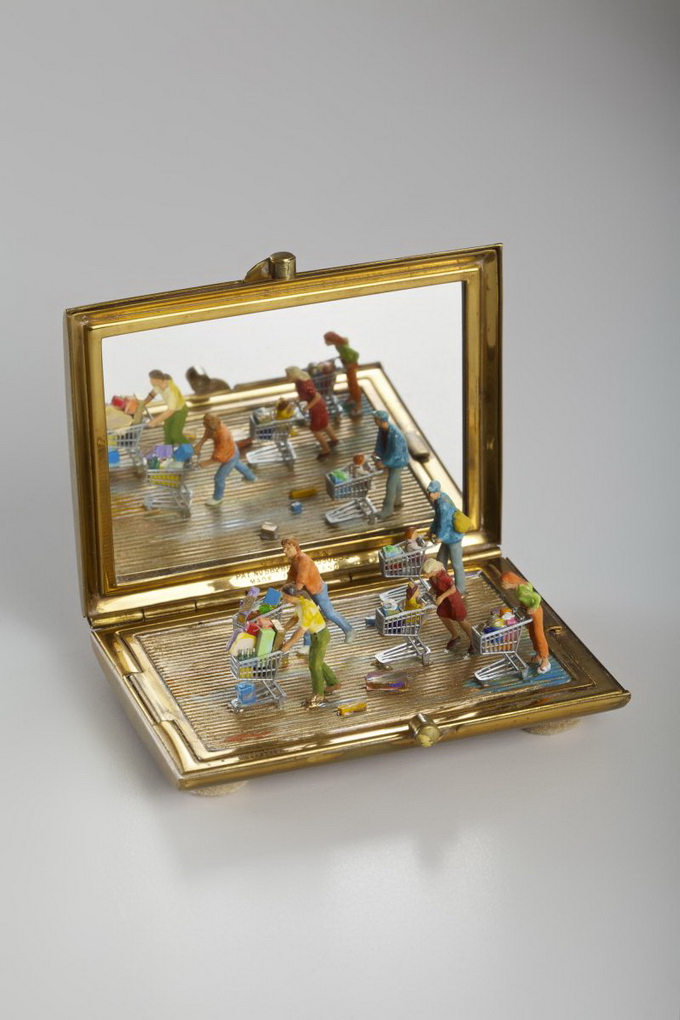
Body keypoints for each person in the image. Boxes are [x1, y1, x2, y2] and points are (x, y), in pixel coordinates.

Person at [281, 537, 354, 643]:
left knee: (329, 613)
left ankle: (349, 630)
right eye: (283, 548)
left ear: (295, 547)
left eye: (288, 548)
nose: (284, 551)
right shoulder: (295, 560)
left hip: (318, 590)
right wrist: (283, 589)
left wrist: (293, 593)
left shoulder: (303, 559)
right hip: (308, 592)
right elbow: (291, 576)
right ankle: (307, 644)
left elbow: (302, 579)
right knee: (306, 615)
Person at [280, 584, 341, 707]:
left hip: (320, 636)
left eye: (285, 597)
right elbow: (294, 618)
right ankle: (333, 683)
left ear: (293, 595)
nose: (284, 600)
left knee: (314, 665)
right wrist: (283, 630)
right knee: (317, 661)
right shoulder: (300, 603)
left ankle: (318, 694)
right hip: (315, 636)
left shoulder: (306, 607)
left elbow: (300, 631)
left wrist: (288, 645)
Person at [194, 413, 256, 508]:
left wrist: (208, 462)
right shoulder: (213, 427)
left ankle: (217, 498)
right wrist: (200, 444)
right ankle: (251, 477)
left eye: (206, 424)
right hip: (233, 450)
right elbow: (207, 434)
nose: (204, 425)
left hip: (229, 455)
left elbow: (221, 454)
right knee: (237, 463)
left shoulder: (223, 434)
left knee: (219, 477)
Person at [500, 571, 551, 673]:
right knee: (532, 633)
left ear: (511, 582)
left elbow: (537, 597)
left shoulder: (522, 591)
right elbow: (529, 587)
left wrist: (533, 607)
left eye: (503, 583)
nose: (502, 585)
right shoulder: (520, 586)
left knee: (538, 634)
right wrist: (524, 606)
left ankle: (545, 660)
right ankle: (539, 654)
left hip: (535, 612)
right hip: (528, 610)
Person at [421, 558, 474, 653]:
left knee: (460, 619)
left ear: (433, 571)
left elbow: (453, 589)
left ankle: (473, 640)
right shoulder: (432, 577)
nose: (424, 575)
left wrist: (441, 597)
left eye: (426, 573)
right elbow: (434, 588)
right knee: (442, 614)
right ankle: (455, 635)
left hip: (453, 600)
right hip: (444, 600)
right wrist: (427, 595)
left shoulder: (444, 577)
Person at [285, 366, 339, 459]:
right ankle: (334, 439)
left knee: (315, 430)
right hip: (317, 406)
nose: (287, 377)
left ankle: (326, 449)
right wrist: (295, 401)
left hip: (317, 408)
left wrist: (308, 406)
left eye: (288, 375)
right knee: (325, 423)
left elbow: (317, 396)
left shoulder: (305, 385)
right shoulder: (299, 382)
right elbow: (304, 395)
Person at [426, 480, 466, 595]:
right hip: (447, 537)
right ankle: (442, 584)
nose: (430, 495)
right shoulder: (438, 501)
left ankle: (460, 589)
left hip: (453, 537)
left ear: (438, 492)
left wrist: (440, 536)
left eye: (432, 493)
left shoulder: (444, 505)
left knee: (456, 563)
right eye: (429, 492)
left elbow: (445, 522)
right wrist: (432, 530)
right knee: (441, 560)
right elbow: (437, 518)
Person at [372, 410, 410, 519]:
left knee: (390, 485)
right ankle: (397, 501)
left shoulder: (395, 435)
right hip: (390, 458)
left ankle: (387, 510)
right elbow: (380, 442)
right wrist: (377, 453)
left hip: (398, 461)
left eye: (375, 419)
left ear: (381, 421)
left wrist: (384, 463)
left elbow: (396, 454)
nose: (374, 421)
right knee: (397, 481)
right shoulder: (382, 429)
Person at [144, 370, 189, 445]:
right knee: (167, 431)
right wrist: (143, 403)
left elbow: (171, 410)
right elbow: (152, 393)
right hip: (172, 410)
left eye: (152, 380)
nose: (150, 381)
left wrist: (154, 421)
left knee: (175, 434)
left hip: (180, 411)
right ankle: (167, 451)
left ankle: (189, 450)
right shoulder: (158, 385)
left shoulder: (171, 391)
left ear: (158, 380)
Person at [324, 330, 362, 416]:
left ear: (332, 340)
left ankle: (358, 404)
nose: (325, 342)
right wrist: (341, 356)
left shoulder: (343, 347)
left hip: (351, 366)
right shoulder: (338, 345)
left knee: (353, 384)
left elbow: (356, 354)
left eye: (326, 340)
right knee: (350, 382)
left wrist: (351, 362)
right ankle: (352, 396)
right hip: (346, 364)